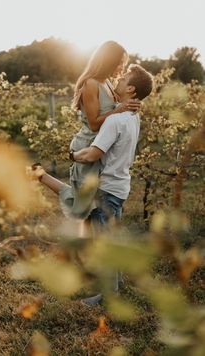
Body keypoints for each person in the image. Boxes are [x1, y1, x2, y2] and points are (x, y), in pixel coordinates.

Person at [30, 64, 153, 305]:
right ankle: (115, 284)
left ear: (130, 89)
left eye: (124, 77)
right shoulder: (132, 114)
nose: (118, 77)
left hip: (106, 188)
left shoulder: (114, 121)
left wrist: (72, 155)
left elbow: (92, 155)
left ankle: (109, 296)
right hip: (120, 186)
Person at [59, 41, 140, 219]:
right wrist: (119, 109)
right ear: (108, 61)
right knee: (84, 207)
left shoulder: (109, 83)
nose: (122, 67)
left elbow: (122, 104)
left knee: (93, 205)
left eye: (123, 63)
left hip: (101, 146)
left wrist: (132, 105)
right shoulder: (91, 84)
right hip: (88, 145)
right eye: (119, 62)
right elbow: (95, 123)